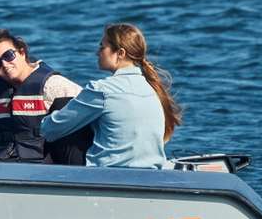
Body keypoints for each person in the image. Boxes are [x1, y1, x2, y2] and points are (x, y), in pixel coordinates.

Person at [41, 23, 182, 169]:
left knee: (62, 104)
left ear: (120, 53)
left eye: (102, 47)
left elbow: (49, 130)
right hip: (150, 173)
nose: (97, 52)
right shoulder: (152, 90)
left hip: (108, 174)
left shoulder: (102, 90)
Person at [0, 29, 90, 164]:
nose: (4, 64)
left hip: (41, 166)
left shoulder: (52, 85)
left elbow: (92, 110)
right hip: (4, 161)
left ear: (22, 52)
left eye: (8, 55)